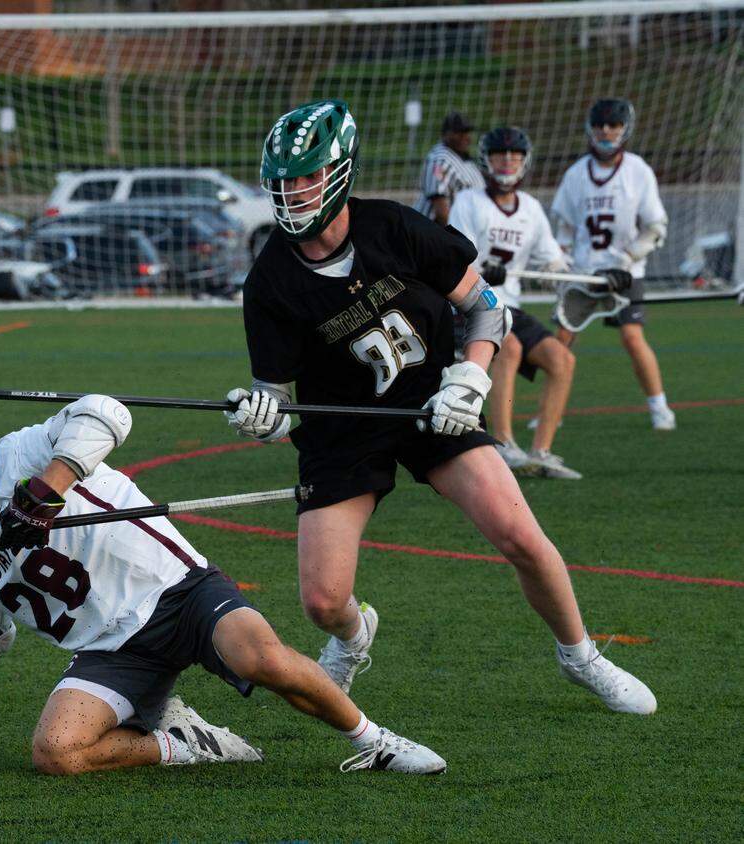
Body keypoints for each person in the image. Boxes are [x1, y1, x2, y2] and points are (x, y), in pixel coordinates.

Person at [225, 99, 655, 717]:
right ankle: (353, 635)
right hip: (346, 430)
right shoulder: (269, 280)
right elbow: (276, 393)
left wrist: (471, 380)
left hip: (435, 405)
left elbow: (485, 309)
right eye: (283, 181)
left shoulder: (394, 228)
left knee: (522, 537)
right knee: (322, 601)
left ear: (340, 172)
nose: (292, 193)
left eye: (306, 177)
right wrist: (261, 415)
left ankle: (582, 656)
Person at [0, 399, 447, 775]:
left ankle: (374, 740)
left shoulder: (25, 451)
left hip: (178, 593)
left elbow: (105, 413)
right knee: (55, 753)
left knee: (262, 657)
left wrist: (45, 492)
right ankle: (184, 743)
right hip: (112, 652)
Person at [448, 127, 582, 479]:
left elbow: (554, 262)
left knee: (562, 359)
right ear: (486, 160)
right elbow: (456, 260)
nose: (507, 161)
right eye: (499, 154)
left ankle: (542, 452)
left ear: (525, 161)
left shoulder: (532, 210)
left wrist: (566, 272)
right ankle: (504, 446)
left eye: (515, 155)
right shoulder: (469, 202)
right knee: (509, 347)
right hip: (471, 303)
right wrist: (482, 268)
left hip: (510, 306)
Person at [550, 98, 675, 431]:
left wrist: (628, 258)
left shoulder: (637, 171)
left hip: (624, 273)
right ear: (590, 130)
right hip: (584, 271)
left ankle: (660, 407)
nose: (607, 132)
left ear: (625, 129)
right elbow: (563, 225)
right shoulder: (576, 174)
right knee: (559, 341)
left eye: (614, 125)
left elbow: (655, 226)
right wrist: (561, 262)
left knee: (632, 337)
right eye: (600, 125)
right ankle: (551, 414)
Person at [412, 111, 484, 226]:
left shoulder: (464, 160)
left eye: (466, 132)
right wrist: (457, 238)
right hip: (431, 234)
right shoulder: (440, 160)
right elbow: (441, 211)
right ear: (445, 134)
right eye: (458, 132)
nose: (464, 137)